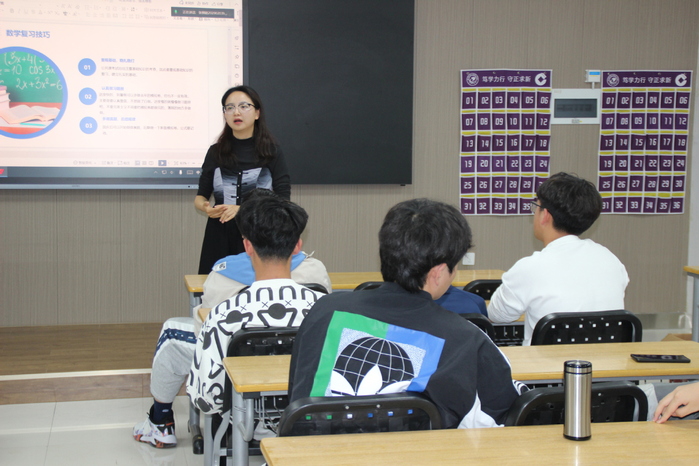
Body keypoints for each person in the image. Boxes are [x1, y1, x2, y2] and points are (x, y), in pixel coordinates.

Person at [288, 198, 526, 429]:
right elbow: (505, 419)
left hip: (313, 449)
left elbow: (298, 390)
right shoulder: (467, 340)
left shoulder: (325, 310)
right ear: (439, 272)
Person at [134, 191, 323, 448]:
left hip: (238, 388)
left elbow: (205, 390)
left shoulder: (224, 299)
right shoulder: (319, 282)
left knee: (172, 333)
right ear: (298, 244)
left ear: (248, 245)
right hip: (300, 386)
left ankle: (160, 422)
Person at [487, 172, 629, 346]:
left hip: (546, 363)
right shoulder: (611, 260)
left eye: (535, 206)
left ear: (545, 215)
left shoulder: (530, 267)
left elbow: (497, 315)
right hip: (605, 361)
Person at [195, 85, 291, 274]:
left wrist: (241, 209)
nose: (236, 112)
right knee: (214, 287)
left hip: (258, 234)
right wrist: (206, 208)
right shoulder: (215, 152)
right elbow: (200, 196)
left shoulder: (271, 151)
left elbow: (283, 201)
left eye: (243, 106)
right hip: (219, 234)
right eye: (229, 107)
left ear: (257, 113)